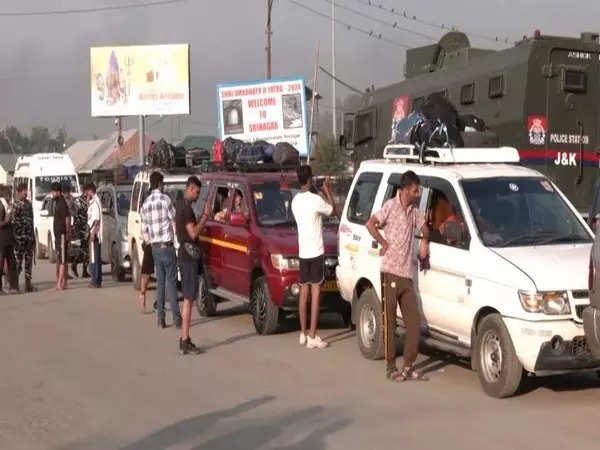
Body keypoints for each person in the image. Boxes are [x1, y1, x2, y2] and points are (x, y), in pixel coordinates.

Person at [366, 170, 430, 382]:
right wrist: (384, 243)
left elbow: (425, 228)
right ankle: (391, 366)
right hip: (390, 273)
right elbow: (370, 223)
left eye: (418, 190)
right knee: (390, 323)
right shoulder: (390, 207)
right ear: (404, 190)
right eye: (415, 190)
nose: (418, 193)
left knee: (414, 323)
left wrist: (424, 242)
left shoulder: (414, 211)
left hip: (406, 275)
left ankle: (409, 366)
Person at [291, 165, 338, 349]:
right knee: (316, 295)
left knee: (303, 294)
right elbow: (332, 211)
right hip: (316, 252)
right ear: (309, 179)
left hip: (303, 253)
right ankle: (313, 335)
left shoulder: (295, 201)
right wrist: (327, 191)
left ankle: (303, 333)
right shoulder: (316, 199)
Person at [140, 172, 182, 329]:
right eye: (162, 183)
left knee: (160, 283)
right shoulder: (165, 200)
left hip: (155, 248)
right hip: (167, 246)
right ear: (159, 184)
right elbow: (174, 222)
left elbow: (143, 230)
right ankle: (177, 319)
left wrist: (150, 241)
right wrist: (177, 243)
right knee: (171, 283)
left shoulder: (145, 204)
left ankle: (161, 319)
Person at [175, 176, 210, 354]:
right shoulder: (186, 210)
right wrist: (205, 216)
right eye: (196, 191)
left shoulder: (180, 205)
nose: (197, 195)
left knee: (189, 299)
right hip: (188, 256)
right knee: (189, 299)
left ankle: (185, 338)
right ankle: (185, 339)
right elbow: (193, 233)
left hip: (185, 254)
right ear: (189, 188)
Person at [12, 183, 36, 292]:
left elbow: (32, 221)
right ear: (18, 192)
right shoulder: (15, 205)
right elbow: (12, 223)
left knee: (28, 262)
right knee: (18, 263)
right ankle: (14, 284)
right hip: (19, 239)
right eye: (23, 191)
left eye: (26, 191)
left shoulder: (29, 204)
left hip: (29, 238)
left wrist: (33, 237)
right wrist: (15, 239)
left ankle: (28, 284)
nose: (25, 193)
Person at [51, 182, 71, 290]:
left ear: (58, 192)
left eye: (53, 192)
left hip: (62, 234)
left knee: (62, 259)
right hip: (58, 235)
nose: (52, 194)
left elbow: (68, 218)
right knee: (63, 258)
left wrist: (67, 233)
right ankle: (64, 282)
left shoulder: (62, 203)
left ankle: (60, 283)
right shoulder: (57, 202)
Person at [0, 186, 19, 294]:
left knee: (12, 264)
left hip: (9, 239)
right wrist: (7, 220)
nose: (10, 196)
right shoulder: (1, 206)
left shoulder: (7, 206)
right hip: (2, 240)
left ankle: (14, 287)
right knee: (0, 264)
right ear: (3, 195)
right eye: (8, 194)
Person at [85, 183, 103, 288]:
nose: (86, 194)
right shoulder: (94, 201)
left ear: (90, 190)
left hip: (94, 233)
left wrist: (93, 233)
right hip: (94, 232)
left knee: (94, 258)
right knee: (95, 257)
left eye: (87, 191)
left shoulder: (95, 202)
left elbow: (96, 220)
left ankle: (95, 281)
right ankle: (97, 279)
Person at [71, 192, 90, 278]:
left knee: (86, 250)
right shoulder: (78, 201)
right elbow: (75, 214)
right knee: (82, 250)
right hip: (80, 229)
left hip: (87, 227)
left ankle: (84, 270)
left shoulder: (90, 200)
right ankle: (75, 265)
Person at [138, 241, 154, 313]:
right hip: (150, 244)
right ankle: (142, 294)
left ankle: (159, 303)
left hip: (162, 246)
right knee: (146, 272)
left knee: (162, 275)